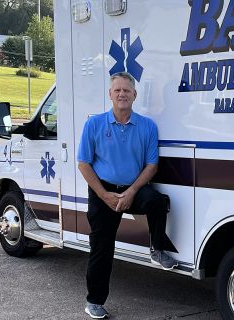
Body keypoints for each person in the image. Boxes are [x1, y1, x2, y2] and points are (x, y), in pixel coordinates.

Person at [77, 71, 178, 319]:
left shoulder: (147, 126)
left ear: (135, 95)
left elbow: (151, 165)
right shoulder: (94, 124)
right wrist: (104, 195)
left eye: (127, 90)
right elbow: (84, 163)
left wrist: (132, 191)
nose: (122, 94)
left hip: (133, 187)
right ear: (110, 94)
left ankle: (157, 249)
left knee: (156, 201)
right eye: (117, 90)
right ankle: (94, 301)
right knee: (101, 249)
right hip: (103, 190)